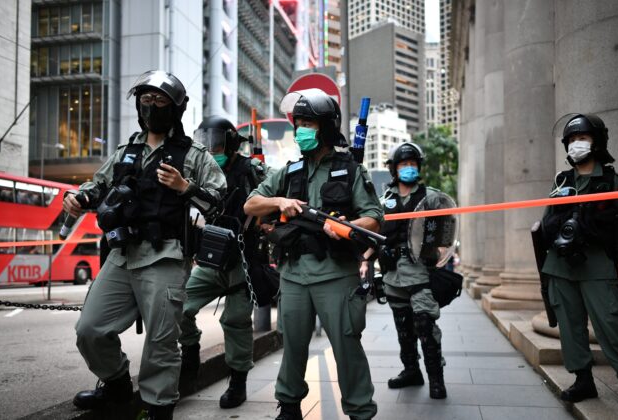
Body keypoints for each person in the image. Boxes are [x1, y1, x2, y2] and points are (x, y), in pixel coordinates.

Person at [64, 70, 226, 420]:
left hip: (165, 256)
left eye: (161, 100)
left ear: (177, 108)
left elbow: (219, 201)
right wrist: (78, 198)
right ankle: (116, 381)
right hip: (122, 255)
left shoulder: (193, 154)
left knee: (161, 342)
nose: (152, 106)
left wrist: (185, 188)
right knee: (89, 329)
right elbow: (98, 185)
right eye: (146, 99)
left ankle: (159, 407)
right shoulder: (127, 150)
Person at [244, 88, 381, 420]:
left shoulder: (351, 170)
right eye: (299, 123)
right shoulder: (289, 172)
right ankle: (289, 406)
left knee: (346, 346)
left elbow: (374, 217)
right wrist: (278, 202)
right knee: (292, 345)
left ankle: (360, 411)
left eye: (309, 123)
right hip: (293, 275)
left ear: (326, 128)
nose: (302, 129)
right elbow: (251, 204)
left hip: (336, 274)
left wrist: (348, 226)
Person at [540, 114, 618, 418]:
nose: (576, 145)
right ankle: (583, 381)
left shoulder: (611, 181)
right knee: (570, 327)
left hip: (598, 264)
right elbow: (547, 222)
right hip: (561, 265)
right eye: (571, 140)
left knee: (611, 325)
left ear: (597, 143)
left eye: (582, 139)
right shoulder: (561, 181)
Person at [178, 116, 268, 407]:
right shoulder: (200, 169)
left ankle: (238, 381)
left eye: (216, 141)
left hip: (243, 257)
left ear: (229, 142)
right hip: (210, 258)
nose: (210, 146)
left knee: (236, 321)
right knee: (178, 306)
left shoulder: (250, 169)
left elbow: (278, 190)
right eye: (205, 140)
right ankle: (190, 356)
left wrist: (265, 218)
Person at [360, 142, 449, 400]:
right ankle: (411, 370)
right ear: (393, 169)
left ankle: (436, 378)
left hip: (420, 271)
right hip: (392, 273)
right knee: (403, 325)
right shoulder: (383, 200)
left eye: (412, 164)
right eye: (403, 164)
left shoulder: (431, 197)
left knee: (424, 322)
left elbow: (445, 231)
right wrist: (365, 259)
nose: (408, 168)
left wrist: (438, 253)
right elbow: (373, 234)